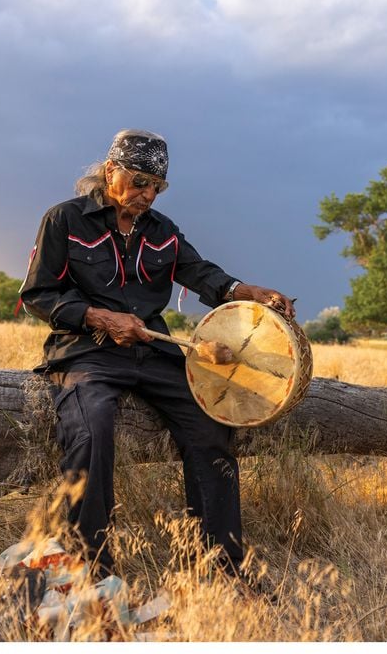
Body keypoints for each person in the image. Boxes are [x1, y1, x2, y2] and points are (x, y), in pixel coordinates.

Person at [19, 128, 295, 579]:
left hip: (153, 352)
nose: (148, 195)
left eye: (157, 187)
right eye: (140, 182)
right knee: (92, 432)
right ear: (111, 172)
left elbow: (201, 273)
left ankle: (220, 569)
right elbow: (38, 295)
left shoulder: (163, 232)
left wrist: (247, 291)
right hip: (87, 352)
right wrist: (99, 318)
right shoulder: (64, 220)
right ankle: (87, 572)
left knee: (211, 427)